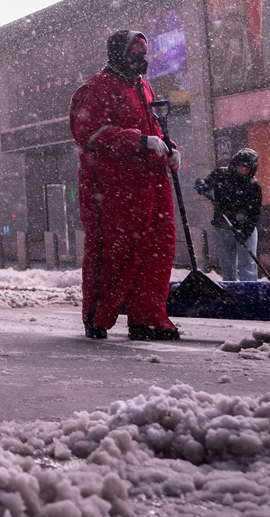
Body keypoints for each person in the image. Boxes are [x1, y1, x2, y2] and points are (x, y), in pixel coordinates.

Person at [70, 31, 182, 341]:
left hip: (150, 182)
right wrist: (140, 142)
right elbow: (89, 133)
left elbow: (152, 127)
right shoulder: (96, 89)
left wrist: (169, 147)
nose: (141, 59)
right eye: (135, 52)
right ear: (119, 54)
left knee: (157, 249)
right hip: (114, 188)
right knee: (114, 251)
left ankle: (148, 318)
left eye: (143, 52)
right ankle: (98, 317)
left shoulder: (142, 87)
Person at [196, 148, 262, 281]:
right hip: (222, 227)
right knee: (228, 266)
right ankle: (231, 290)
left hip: (246, 229)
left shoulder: (254, 186)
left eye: (247, 168)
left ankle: (249, 290)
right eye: (241, 166)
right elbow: (206, 183)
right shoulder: (221, 174)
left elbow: (254, 213)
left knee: (248, 264)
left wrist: (245, 232)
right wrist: (202, 185)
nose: (243, 170)